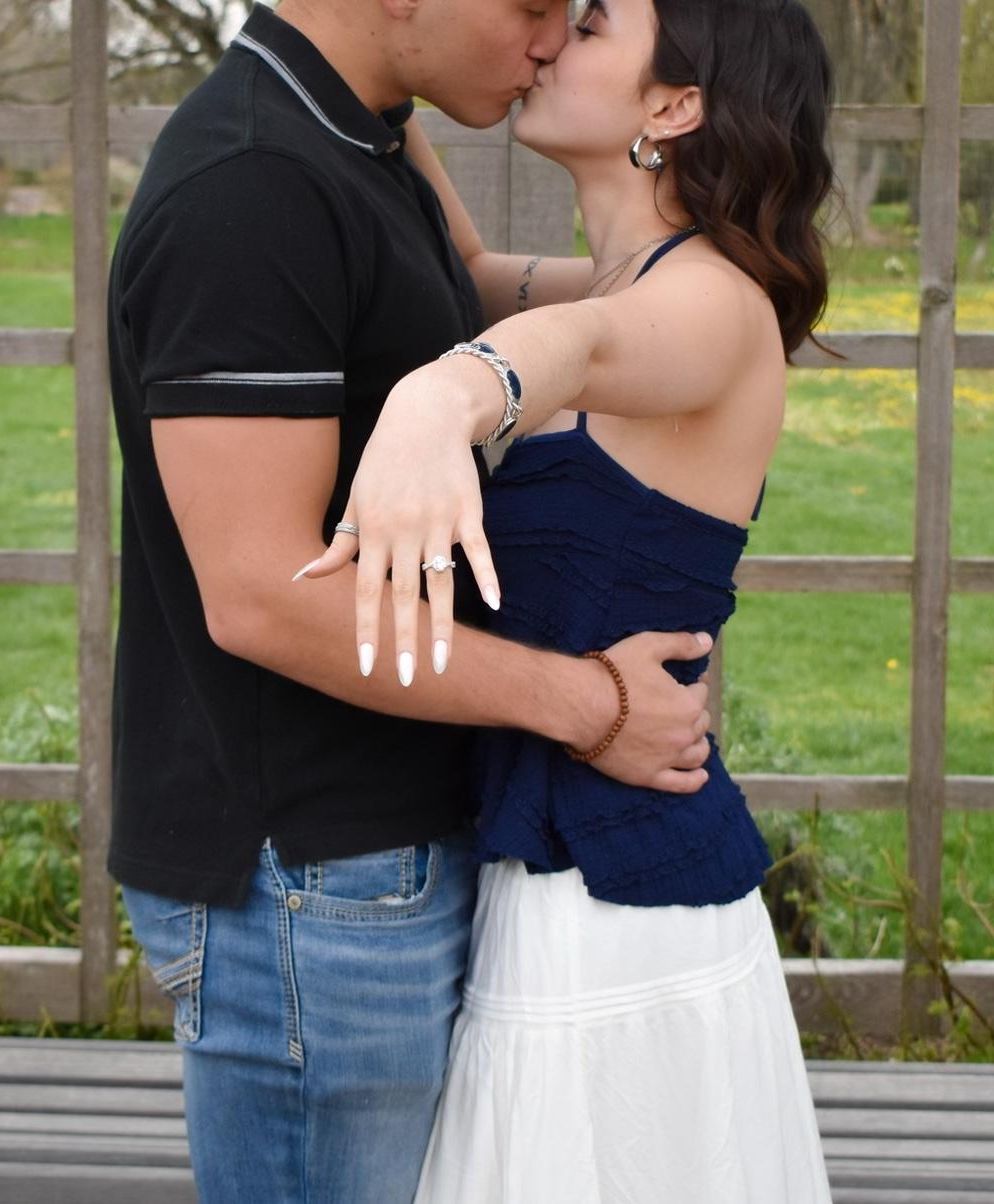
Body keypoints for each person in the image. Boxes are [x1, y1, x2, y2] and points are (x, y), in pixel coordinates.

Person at [105, 1, 720, 1200]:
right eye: (531, 4)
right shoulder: (254, 190)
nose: (552, 35)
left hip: (370, 857)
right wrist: (589, 705)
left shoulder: (358, 133)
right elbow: (262, 595)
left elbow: (483, 293)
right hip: (311, 881)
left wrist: (702, 292)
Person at [302, 0, 840, 1198]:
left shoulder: (712, 300)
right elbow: (471, 277)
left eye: (589, 25)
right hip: (557, 875)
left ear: (674, 104)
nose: (549, 37)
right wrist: (375, 63)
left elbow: (580, 348)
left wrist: (442, 399)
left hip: (621, 915)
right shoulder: (621, 276)